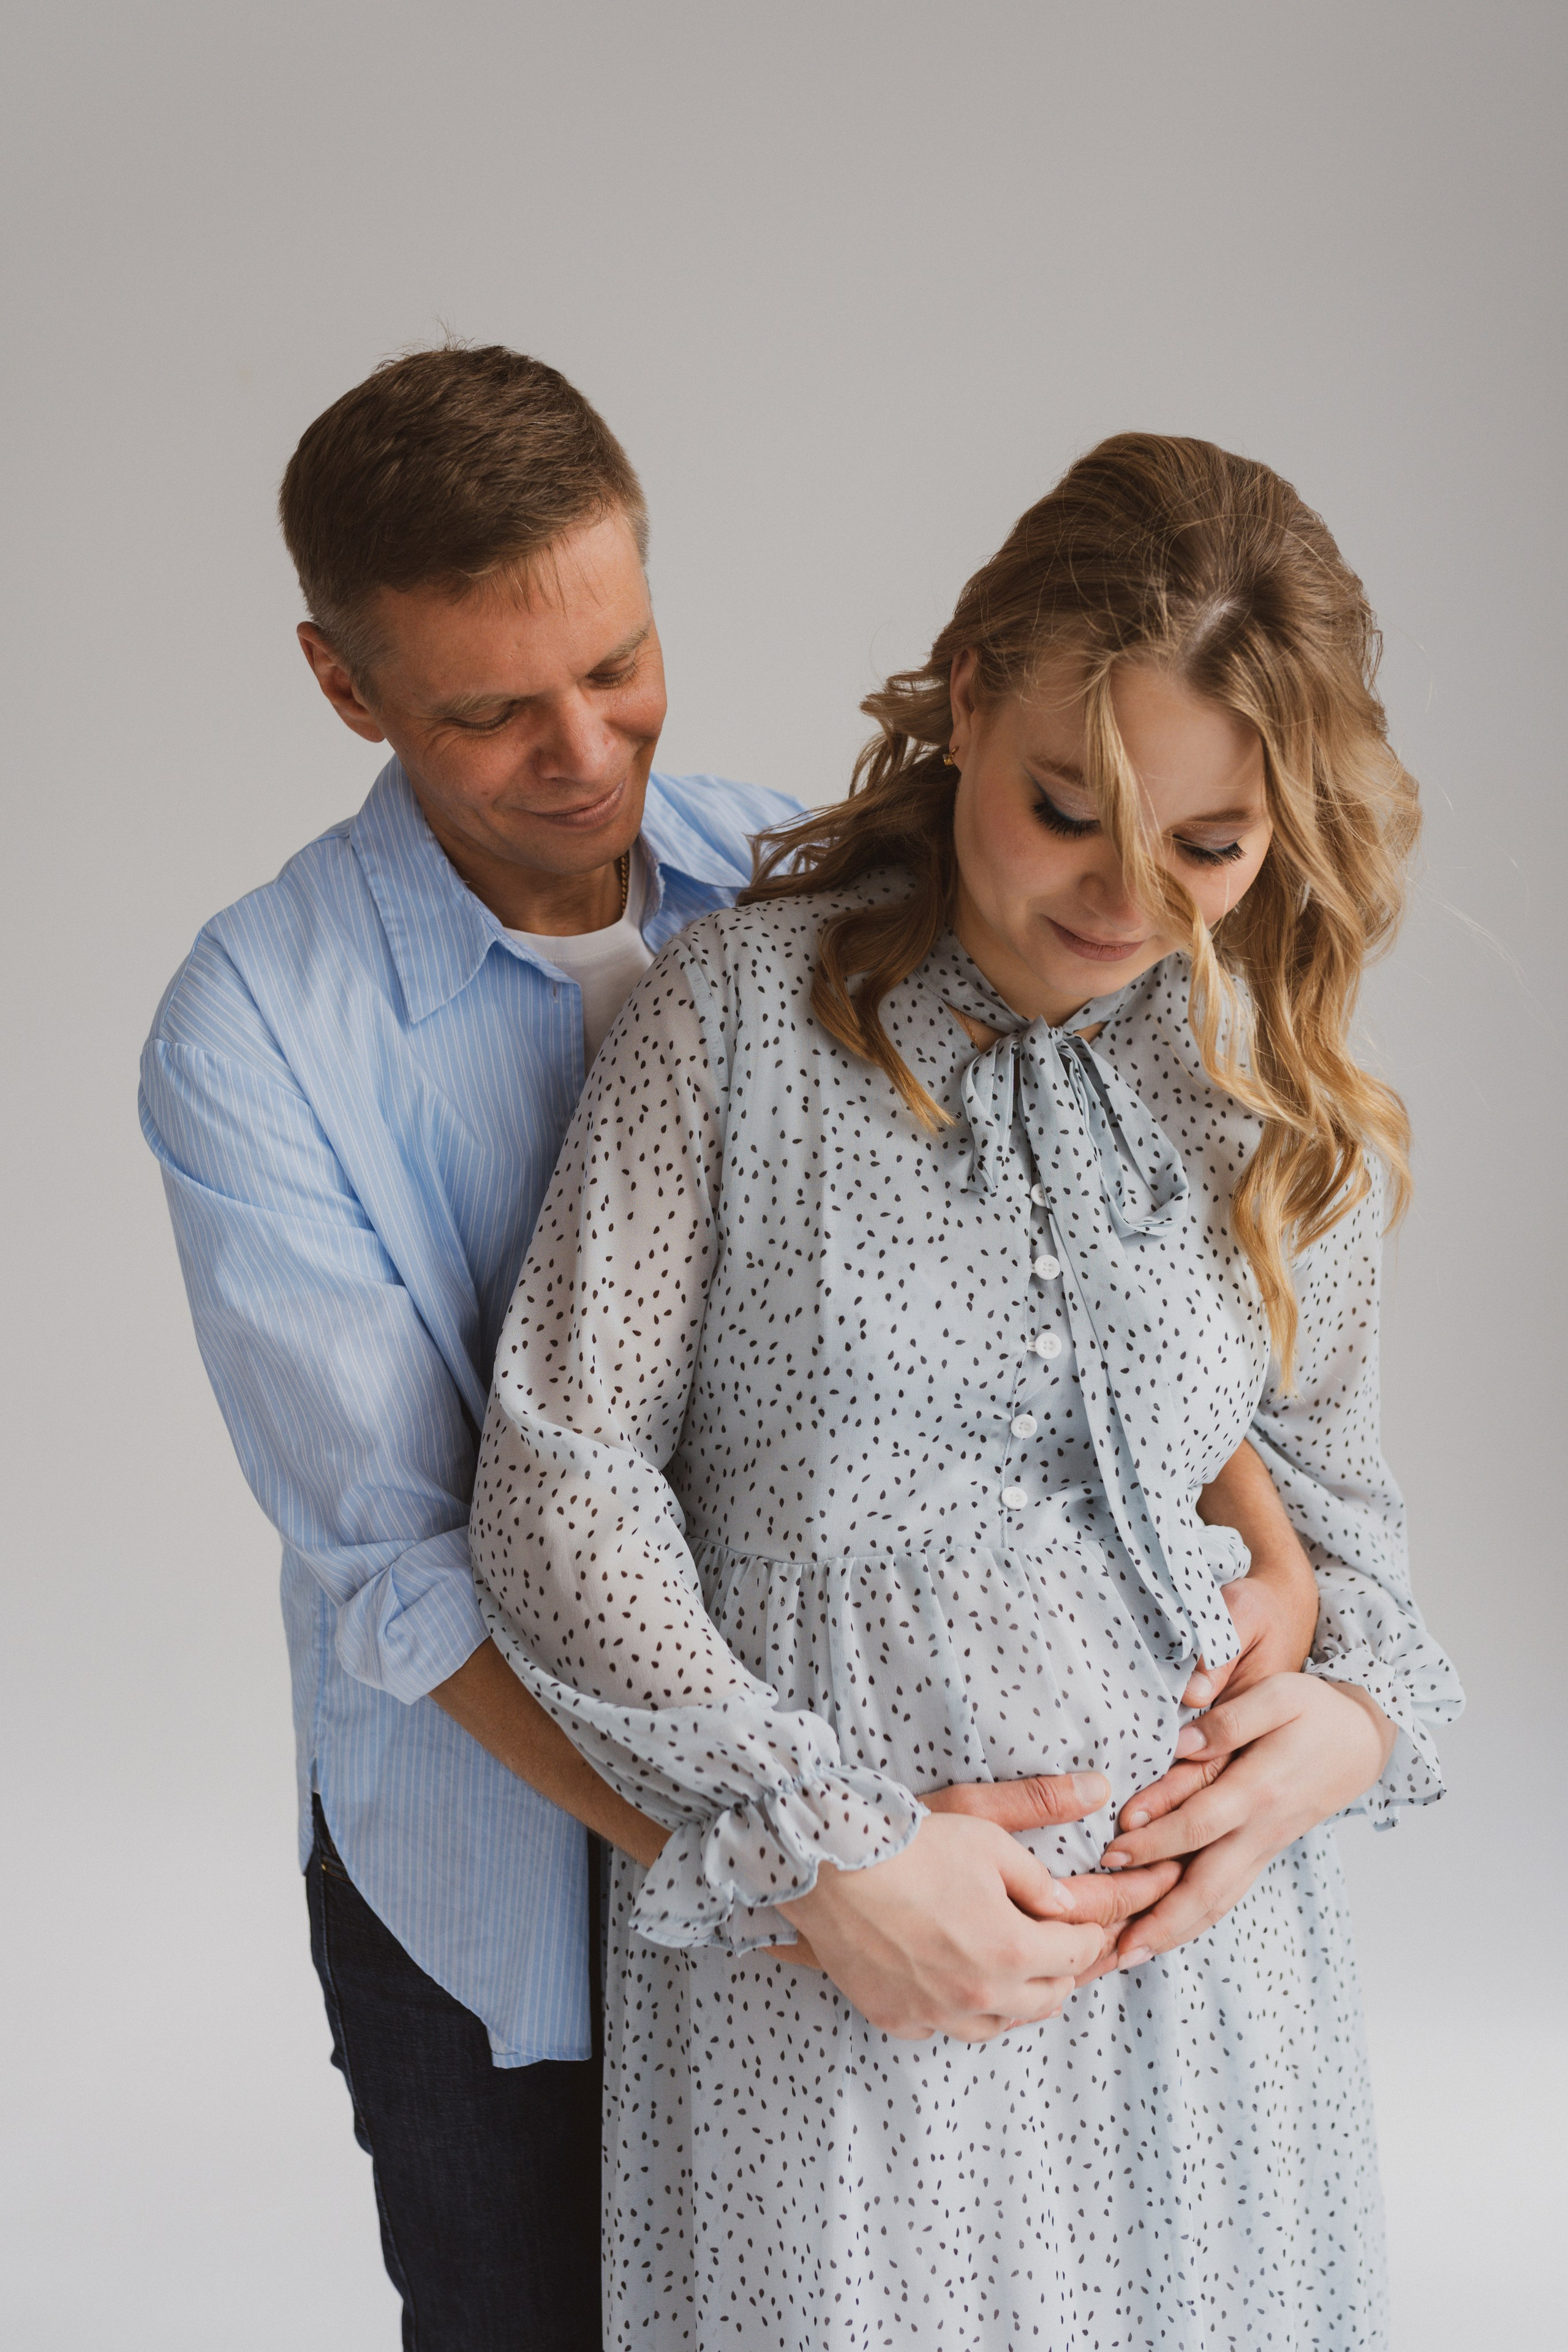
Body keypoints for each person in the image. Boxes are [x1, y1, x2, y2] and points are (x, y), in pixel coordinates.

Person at [470, 432, 1463, 2350]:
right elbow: (559, 1487)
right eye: (1067, 808)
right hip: (846, 1982)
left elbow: (1347, 1524)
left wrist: (1348, 1726)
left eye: (1210, 845)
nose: (1126, 898)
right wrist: (822, 1833)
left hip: (1208, 2001)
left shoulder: (1266, 1088)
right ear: (969, 694)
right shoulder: (734, 1023)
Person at [138, 344, 805, 2349]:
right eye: (494, 712)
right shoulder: (250, 1030)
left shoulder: (808, 885)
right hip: (495, 1873)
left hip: (839, 1789)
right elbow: (402, 1574)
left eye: (619, 662)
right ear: (346, 687)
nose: (588, 751)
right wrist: (773, 1869)